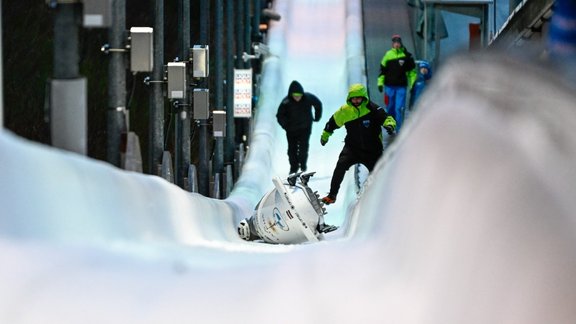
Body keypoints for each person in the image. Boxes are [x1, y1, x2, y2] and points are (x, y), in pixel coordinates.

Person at [319, 84, 396, 205]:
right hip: (352, 148)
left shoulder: (373, 109)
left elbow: (387, 118)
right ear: (349, 98)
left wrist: (389, 125)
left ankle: (384, 197)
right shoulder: (344, 111)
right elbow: (332, 123)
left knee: (379, 173)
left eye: (358, 98)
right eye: (353, 98)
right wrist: (325, 136)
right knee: (340, 167)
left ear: (364, 97)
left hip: (373, 149)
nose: (356, 101)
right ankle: (332, 195)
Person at [276, 80, 323, 174]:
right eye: (295, 95)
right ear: (291, 94)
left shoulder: (308, 98)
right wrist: (285, 125)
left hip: (305, 128)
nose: (297, 97)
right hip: (291, 130)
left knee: (303, 148)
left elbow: (318, 104)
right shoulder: (286, 102)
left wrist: (317, 117)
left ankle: (303, 166)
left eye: (299, 95)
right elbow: (279, 115)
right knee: (291, 150)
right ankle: (294, 168)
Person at [377, 34, 416, 132]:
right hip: (389, 86)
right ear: (392, 44)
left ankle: (399, 129)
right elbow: (382, 70)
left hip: (401, 86)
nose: (397, 45)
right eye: (395, 43)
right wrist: (380, 83)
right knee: (390, 107)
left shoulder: (406, 56)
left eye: (398, 43)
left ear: (401, 43)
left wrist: (412, 84)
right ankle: (391, 125)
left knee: (399, 108)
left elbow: (412, 72)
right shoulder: (388, 55)